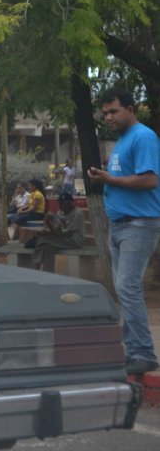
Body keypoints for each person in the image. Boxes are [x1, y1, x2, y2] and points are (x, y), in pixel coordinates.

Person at [88, 87, 160, 375]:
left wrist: (110, 180)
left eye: (114, 111)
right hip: (120, 225)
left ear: (131, 109)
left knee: (128, 288)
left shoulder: (143, 137)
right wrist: (106, 179)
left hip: (138, 224)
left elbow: (150, 180)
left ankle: (143, 352)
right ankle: (132, 351)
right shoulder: (122, 140)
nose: (109, 117)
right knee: (123, 289)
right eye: (105, 113)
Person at [31, 192, 85, 271]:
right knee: (47, 247)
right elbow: (57, 231)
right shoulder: (60, 212)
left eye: (63, 203)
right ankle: (48, 273)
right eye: (60, 203)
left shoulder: (78, 213)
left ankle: (36, 270)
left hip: (74, 240)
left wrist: (48, 234)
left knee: (42, 240)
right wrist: (48, 222)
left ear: (70, 203)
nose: (60, 205)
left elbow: (67, 233)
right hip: (62, 239)